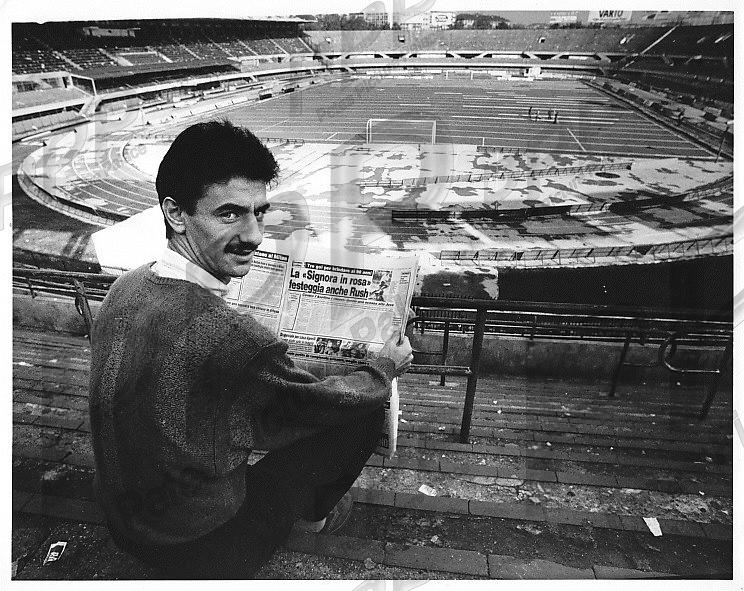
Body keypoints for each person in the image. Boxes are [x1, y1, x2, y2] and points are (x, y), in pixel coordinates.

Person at [89, 120, 414, 579]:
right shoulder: (232, 338)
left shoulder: (124, 287)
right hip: (201, 548)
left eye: (259, 213)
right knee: (364, 408)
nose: (255, 235)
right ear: (176, 214)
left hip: (126, 523)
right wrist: (384, 368)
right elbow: (320, 404)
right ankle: (316, 515)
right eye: (229, 214)